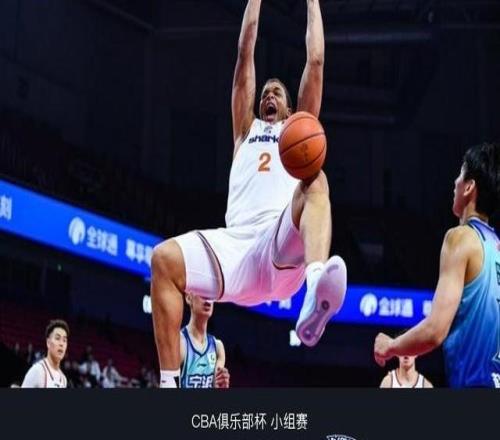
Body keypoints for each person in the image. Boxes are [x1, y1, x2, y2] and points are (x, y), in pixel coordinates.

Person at [151, 0, 347, 388]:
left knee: (316, 180)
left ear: (290, 108)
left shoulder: (298, 129)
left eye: (277, 92)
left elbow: (316, 62)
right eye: (265, 93)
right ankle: (169, 385)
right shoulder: (245, 130)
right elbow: (245, 52)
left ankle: (314, 288)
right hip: (236, 248)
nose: (269, 95)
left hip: (278, 243)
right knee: (162, 260)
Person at [374, 142, 500, 388]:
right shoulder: (496, 247)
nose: (455, 182)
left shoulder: (460, 237)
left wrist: (390, 346)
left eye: (460, 174)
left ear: (469, 187)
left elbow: (435, 330)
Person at [180, 294, 229, 388]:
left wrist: (221, 386)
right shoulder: (179, 343)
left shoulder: (217, 347)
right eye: (202, 293)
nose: (208, 300)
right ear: (188, 298)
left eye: (211, 295)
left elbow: (217, 387)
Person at [21, 319, 69, 388]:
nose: (61, 344)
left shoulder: (64, 379)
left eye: (64, 340)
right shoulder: (37, 370)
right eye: (57, 338)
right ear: (48, 343)